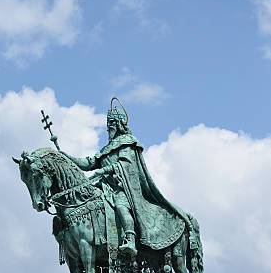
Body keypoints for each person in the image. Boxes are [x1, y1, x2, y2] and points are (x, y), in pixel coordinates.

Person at [65, 98, 191, 257]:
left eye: (111, 122)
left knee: (121, 207)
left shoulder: (127, 142)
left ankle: (130, 239)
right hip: (105, 188)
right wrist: (66, 157)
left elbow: (125, 165)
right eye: (107, 123)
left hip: (122, 188)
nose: (108, 126)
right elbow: (88, 163)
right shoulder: (107, 148)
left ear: (119, 124)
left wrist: (103, 171)